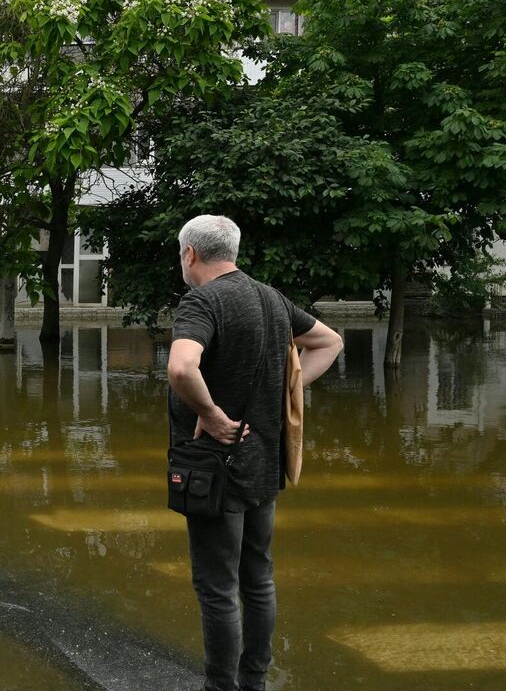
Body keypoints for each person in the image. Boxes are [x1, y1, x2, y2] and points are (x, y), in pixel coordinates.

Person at [165, 215, 342, 691]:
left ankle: (220, 687)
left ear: (190, 255)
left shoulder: (202, 301)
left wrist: (214, 415)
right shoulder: (270, 298)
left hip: (212, 468)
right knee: (258, 579)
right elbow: (329, 341)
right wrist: (286, 391)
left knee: (217, 587)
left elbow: (182, 367)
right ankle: (253, 683)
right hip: (263, 462)